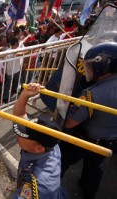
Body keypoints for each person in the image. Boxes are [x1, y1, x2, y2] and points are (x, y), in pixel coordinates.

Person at [61, 42, 117, 199]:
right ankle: (89, 193)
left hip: (85, 139)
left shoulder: (92, 95)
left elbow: (70, 122)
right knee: (95, 168)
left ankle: (49, 187)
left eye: (89, 66)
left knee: (61, 160)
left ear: (102, 66)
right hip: (109, 141)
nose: (86, 69)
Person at [13, 83, 64, 199]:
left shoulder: (38, 184)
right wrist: (25, 94)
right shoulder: (50, 142)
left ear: (39, 148)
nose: (17, 136)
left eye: (23, 135)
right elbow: (19, 115)